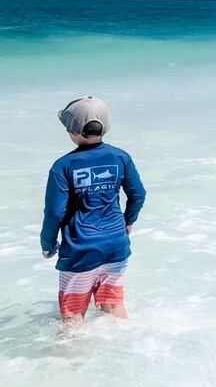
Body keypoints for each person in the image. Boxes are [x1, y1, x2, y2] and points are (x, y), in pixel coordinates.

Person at [40, 97, 146, 322]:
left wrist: (48, 244)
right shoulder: (121, 157)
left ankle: (72, 357)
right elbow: (138, 195)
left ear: (72, 130)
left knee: (73, 315)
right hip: (116, 247)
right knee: (113, 306)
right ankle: (126, 352)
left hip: (80, 251)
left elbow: (54, 212)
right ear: (105, 127)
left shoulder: (63, 166)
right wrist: (128, 222)